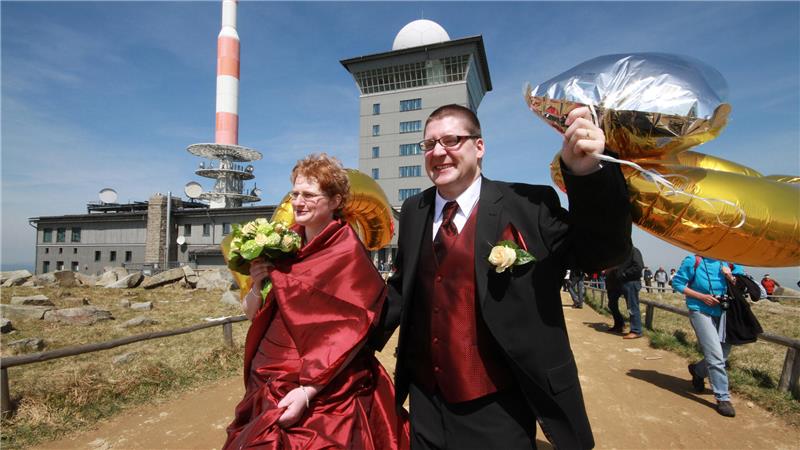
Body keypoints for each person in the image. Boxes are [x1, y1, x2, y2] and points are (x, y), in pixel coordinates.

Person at [373, 104, 631, 449]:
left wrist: (587, 174)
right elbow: (402, 289)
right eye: (429, 144)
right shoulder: (414, 210)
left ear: (479, 147)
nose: (438, 152)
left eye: (451, 140)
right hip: (425, 399)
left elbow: (602, 253)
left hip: (498, 405)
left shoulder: (528, 204)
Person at [224, 154, 409, 449]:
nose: (298, 201)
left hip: (326, 382)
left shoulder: (347, 253)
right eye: (295, 193)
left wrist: (308, 392)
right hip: (268, 375)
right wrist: (257, 285)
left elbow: (354, 332)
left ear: (335, 201)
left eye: (309, 195)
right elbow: (252, 315)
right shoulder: (281, 245)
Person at [671, 255, 743, 418]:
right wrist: (702, 297)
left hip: (726, 314)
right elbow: (677, 283)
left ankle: (697, 370)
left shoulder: (731, 262)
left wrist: (730, 277)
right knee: (715, 355)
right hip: (700, 310)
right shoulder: (693, 260)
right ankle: (723, 398)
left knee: (722, 355)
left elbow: (743, 285)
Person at [604, 246, 644, 338]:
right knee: (612, 304)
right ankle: (619, 325)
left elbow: (638, 266)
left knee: (631, 306)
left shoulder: (633, 250)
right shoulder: (618, 254)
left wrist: (624, 274)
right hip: (618, 283)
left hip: (630, 282)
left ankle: (636, 330)